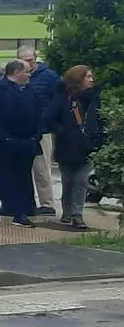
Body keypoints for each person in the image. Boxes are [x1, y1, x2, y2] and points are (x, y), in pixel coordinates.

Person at [0, 58, 43, 228]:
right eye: (27, 71)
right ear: (16, 72)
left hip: (27, 141)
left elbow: (38, 114)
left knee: (23, 179)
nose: (30, 75)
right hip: (3, 143)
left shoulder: (31, 90)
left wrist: (35, 136)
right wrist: (3, 137)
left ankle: (20, 213)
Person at [53, 65, 106, 231]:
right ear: (78, 79)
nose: (92, 79)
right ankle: (67, 211)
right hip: (67, 146)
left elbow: (100, 118)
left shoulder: (94, 98)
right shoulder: (63, 98)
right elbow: (49, 118)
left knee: (81, 181)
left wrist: (100, 137)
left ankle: (77, 214)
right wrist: (64, 132)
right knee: (68, 180)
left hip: (87, 146)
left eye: (91, 76)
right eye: (87, 76)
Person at [20, 46, 63, 216]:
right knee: (23, 169)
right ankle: (26, 201)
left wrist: (49, 120)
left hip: (43, 129)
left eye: (30, 60)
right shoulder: (19, 75)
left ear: (36, 58)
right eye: (24, 60)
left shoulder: (49, 77)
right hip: (23, 129)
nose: (27, 64)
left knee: (41, 168)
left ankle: (47, 203)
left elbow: (57, 101)